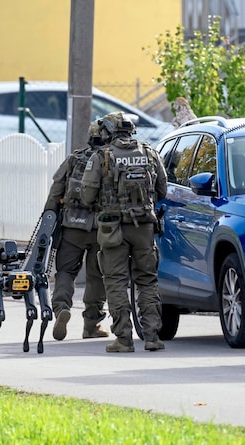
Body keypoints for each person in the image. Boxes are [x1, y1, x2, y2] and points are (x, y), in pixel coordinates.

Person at [81, 111, 168, 352]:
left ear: (108, 132)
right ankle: (152, 336)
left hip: (112, 229)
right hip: (145, 226)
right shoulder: (150, 153)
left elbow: (87, 196)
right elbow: (163, 190)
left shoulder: (101, 156)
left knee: (116, 282)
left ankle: (124, 338)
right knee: (147, 280)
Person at [42, 120, 110, 341]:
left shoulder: (74, 159)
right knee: (96, 277)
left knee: (65, 272)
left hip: (71, 226)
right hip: (100, 229)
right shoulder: (110, 161)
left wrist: (48, 221)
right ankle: (91, 325)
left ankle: (61, 307)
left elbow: (55, 192)